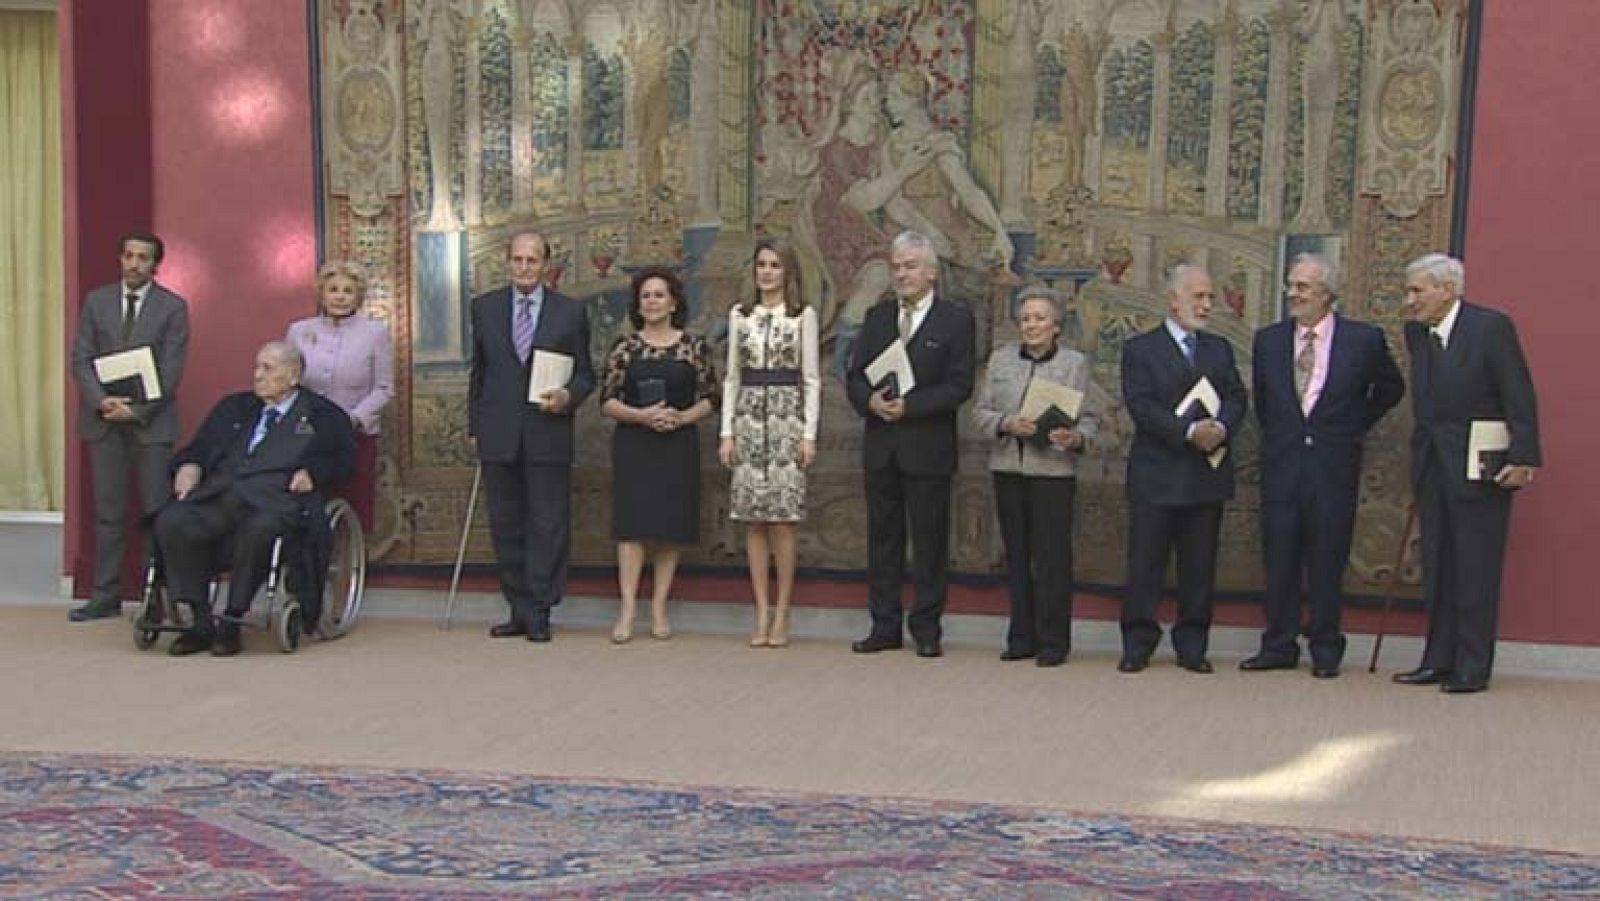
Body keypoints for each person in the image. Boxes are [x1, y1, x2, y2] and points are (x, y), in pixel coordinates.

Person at [1243, 253, 1403, 678]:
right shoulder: (1269, 341)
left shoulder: (1363, 340)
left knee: (1328, 560)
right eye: (1291, 285)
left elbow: (1391, 388)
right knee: (1279, 559)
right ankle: (1277, 644)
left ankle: (1326, 647)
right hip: (1282, 467)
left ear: (1328, 294)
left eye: (1303, 287)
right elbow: (1264, 399)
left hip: (1333, 468)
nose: (1293, 294)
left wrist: (1351, 426)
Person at [1393, 253, 1540, 694]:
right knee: (1437, 565)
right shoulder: (1417, 334)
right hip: (1435, 465)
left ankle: (1473, 666)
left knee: (1475, 568)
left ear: (1447, 289)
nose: (1409, 300)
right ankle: (1437, 659)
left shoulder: (1490, 328)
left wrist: (1524, 457)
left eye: (1418, 290)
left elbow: (1519, 393)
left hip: (1483, 468)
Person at [153, 341, 355, 656]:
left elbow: (343, 460)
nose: (257, 376)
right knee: (173, 520)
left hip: (276, 500)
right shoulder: (234, 407)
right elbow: (200, 447)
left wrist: (313, 473)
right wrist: (189, 465)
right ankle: (200, 621)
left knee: (259, 529)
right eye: (257, 367)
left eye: (267, 369)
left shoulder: (323, 416)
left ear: (293, 376)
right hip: (222, 495)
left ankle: (232, 619)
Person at [845, 230, 975, 658]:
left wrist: (911, 407)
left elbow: (960, 386)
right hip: (881, 446)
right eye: (897, 266)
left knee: (929, 542)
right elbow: (854, 377)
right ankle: (884, 625)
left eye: (910, 266)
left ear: (931, 273)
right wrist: (871, 403)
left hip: (928, 448)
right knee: (883, 540)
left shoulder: (956, 319)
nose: (901, 274)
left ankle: (927, 628)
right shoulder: (878, 317)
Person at [1118, 263, 1248, 674]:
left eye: (1209, 297)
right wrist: (1190, 431)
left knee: (1199, 568)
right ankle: (1138, 643)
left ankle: (1193, 645)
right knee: (1145, 565)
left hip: (1206, 475)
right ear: (1173, 299)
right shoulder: (1140, 349)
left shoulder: (1219, 349)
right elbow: (1141, 407)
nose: (1207, 305)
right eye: (1198, 297)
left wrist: (1221, 427)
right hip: (1157, 473)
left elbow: (1236, 397)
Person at [468, 230, 595, 643]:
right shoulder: (485, 308)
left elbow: (585, 373)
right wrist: (475, 428)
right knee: (506, 525)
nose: (524, 267)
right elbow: (480, 374)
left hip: (547, 429)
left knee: (547, 524)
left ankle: (541, 609)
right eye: (518, 260)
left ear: (546, 265)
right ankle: (517, 608)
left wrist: (568, 396)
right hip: (499, 432)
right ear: (507, 262)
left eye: (533, 260)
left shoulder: (569, 312)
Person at [970, 287, 1098, 667]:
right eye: (1026, 318)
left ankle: (1053, 641)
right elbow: (980, 413)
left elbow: (1089, 420)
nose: (1032, 325)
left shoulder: (1074, 365)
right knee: (1017, 556)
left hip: (1053, 473)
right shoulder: (1001, 360)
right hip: (1009, 469)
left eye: (1040, 318)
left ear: (1056, 326)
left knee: (1052, 559)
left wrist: (1075, 438)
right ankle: (1021, 637)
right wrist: (1008, 423)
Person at [68, 232, 190, 622]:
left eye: (143, 258)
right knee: (108, 514)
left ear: (156, 264)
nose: (134, 263)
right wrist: (102, 402)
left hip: (150, 426)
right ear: (120, 259)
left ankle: (156, 597)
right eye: (129, 256)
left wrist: (136, 411)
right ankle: (106, 595)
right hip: (102, 421)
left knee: (155, 513)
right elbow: (81, 359)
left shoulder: (173, 307)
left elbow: (170, 373)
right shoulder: (96, 301)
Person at [600, 267, 717, 643]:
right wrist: (641, 416)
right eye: (645, 296)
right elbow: (607, 400)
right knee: (632, 528)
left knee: (671, 528)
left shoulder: (694, 347)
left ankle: (659, 608)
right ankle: (629, 608)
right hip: (635, 443)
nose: (651, 301)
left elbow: (711, 398)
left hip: (677, 443)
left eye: (659, 295)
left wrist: (681, 418)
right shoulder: (624, 347)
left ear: (674, 302)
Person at [719, 238, 821, 648]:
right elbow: (732, 377)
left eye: (775, 265)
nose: (767, 272)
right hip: (747, 419)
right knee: (752, 519)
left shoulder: (802, 316)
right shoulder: (740, 315)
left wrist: (808, 434)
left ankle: (783, 609)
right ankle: (760, 609)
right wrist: (727, 432)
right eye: (761, 264)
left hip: (786, 420)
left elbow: (811, 379)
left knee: (782, 519)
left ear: (788, 272)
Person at [286, 261, 394, 531]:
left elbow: (384, 388)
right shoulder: (299, 331)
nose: (340, 296)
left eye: (348, 291)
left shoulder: (375, 333)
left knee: (352, 503)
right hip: (306, 433)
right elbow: (287, 381)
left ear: (358, 296)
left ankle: (349, 564)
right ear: (322, 293)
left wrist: (353, 419)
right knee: (308, 503)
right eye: (333, 289)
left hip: (355, 434)